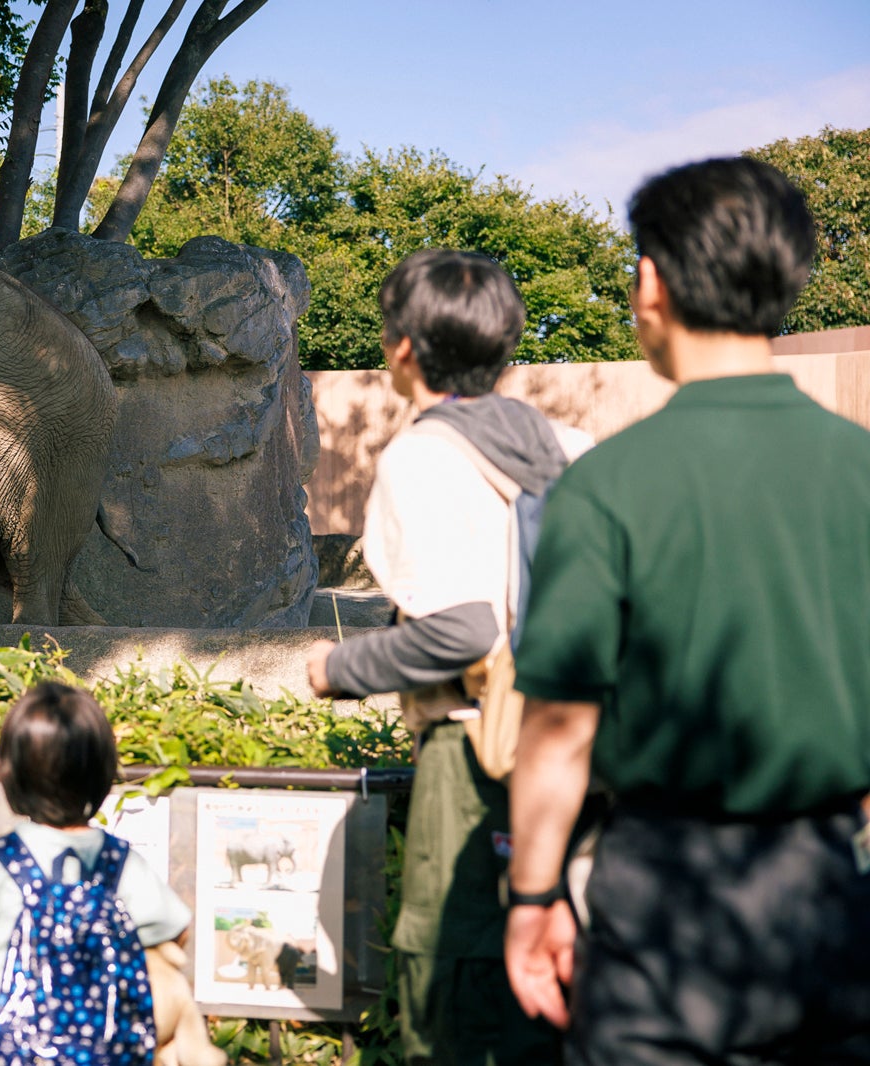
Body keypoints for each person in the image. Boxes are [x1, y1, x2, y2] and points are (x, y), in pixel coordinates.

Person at [503, 156, 870, 1063]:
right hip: (832, 893)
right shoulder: (859, 470)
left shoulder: (605, 487)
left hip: (662, 903)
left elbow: (560, 728)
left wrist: (534, 897)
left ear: (651, 283)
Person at [306, 248, 588, 1065]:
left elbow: (461, 631)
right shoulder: (570, 444)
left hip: (477, 756)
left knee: (452, 990)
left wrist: (339, 669)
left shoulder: (424, 456)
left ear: (402, 348)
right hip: (582, 750)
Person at [0, 681, 191, 1066]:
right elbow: (176, 929)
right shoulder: (118, 860)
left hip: (10, 1050)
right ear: (103, 771)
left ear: (12, 774)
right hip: (105, 1050)